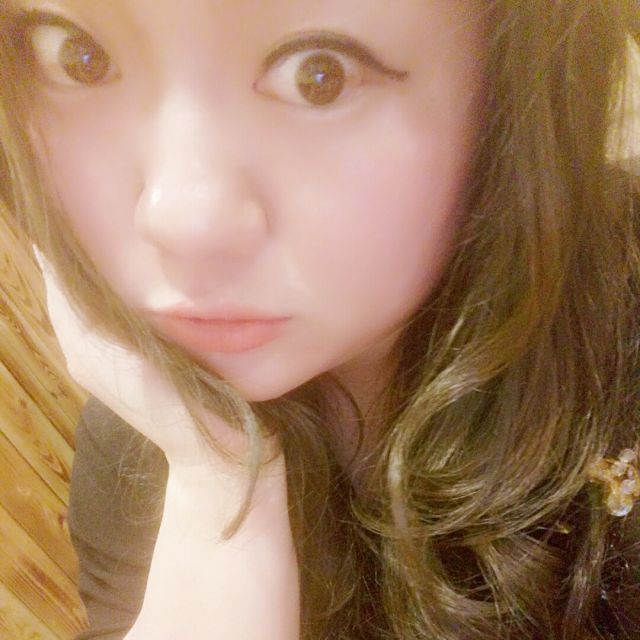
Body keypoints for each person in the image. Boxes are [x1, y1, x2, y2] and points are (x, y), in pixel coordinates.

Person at [1, 1, 639, 638]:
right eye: (80, 60)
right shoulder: (139, 437)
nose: (180, 221)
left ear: (508, 86)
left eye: (319, 76)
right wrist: (218, 499)